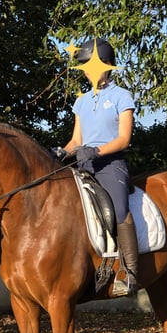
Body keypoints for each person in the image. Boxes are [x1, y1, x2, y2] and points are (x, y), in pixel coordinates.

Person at [58, 38, 139, 296]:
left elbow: (124, 139)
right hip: (84, 163)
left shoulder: (121, 96)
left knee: (119, 209)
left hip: (109, 164)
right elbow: (76, 140)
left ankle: (130, 272)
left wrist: (97, 150)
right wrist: (61, 151)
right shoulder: (81, 102)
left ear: (107, 65)